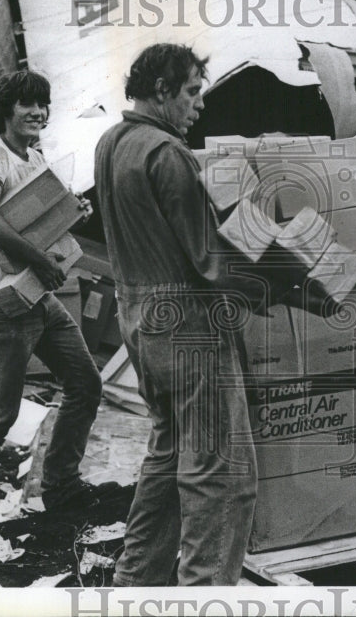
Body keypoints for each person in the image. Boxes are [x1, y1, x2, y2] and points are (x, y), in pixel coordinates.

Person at [95, 43, 267, 586]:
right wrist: (293, 285)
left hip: (140, 323)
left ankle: (135, 583)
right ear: (162, 91)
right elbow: (211, 262)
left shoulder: (110, 142)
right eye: (192, 93)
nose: (199, 106)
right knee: (222, 475)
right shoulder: (168, 154)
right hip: (188, 327)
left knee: (169, 460)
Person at [0, 70, 118, 539]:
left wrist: (72, 210)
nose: (38, 112)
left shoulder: (34, 156)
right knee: (1, 410)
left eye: (43, 105)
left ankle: (60, 485)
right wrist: (39, 260)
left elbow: (35, 221)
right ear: (6, 110)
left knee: (85, 383)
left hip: (38, 295)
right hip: (5, 301)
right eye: (28, 104)